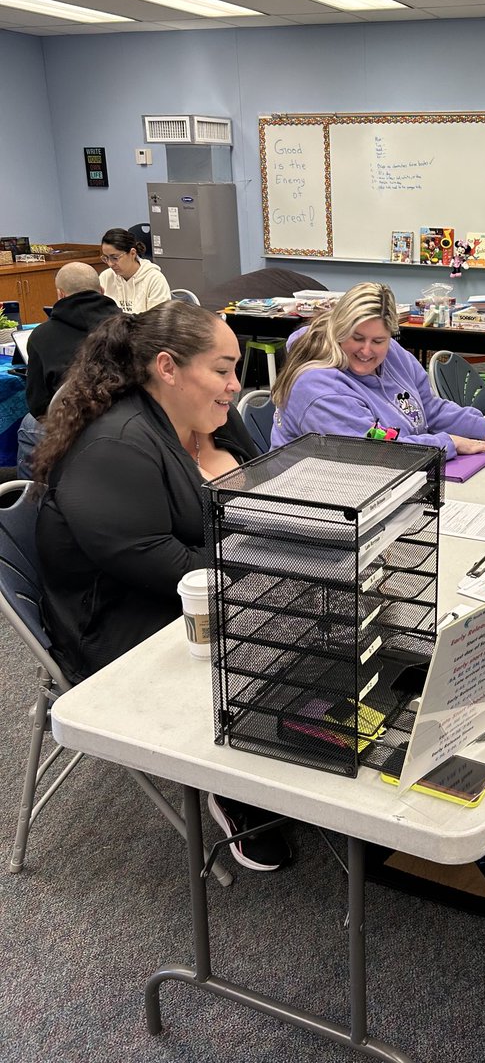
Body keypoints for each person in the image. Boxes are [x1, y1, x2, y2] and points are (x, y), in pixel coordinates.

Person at [32, 301, 291, 872]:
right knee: (294, 625)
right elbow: (168, 568)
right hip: (127, 624)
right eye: (222, 369)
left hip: (193, 587)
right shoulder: (116, 446)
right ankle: (233, 782)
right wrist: (275, 565)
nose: (235, 384)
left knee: (323, 610)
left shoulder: (207, 419)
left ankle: (283, 740)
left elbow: (270, 490)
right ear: (168, 367)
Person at [271, 282, 485, 455]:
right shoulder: (316, 386)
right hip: (313, 499)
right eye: (357, 338)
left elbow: (429, 408)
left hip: (385, 479)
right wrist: (448, 443)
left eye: (378, 341)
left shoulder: (392, 354)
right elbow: (371, 450)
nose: (367, 351)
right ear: (339, 331)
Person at [25, 261, 118, 418]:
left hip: (70, 422)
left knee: (27, 422)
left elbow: (38, 406)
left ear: (60, 294)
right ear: (102, 291)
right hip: (129, 418)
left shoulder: (41, 336)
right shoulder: (131, 325)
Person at [99, 227, 171, 314]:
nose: (110, 264)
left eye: (115, 258)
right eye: (106, 258)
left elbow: (158, 319)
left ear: (132, 253)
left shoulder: (154, 279)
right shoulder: (105, 277)